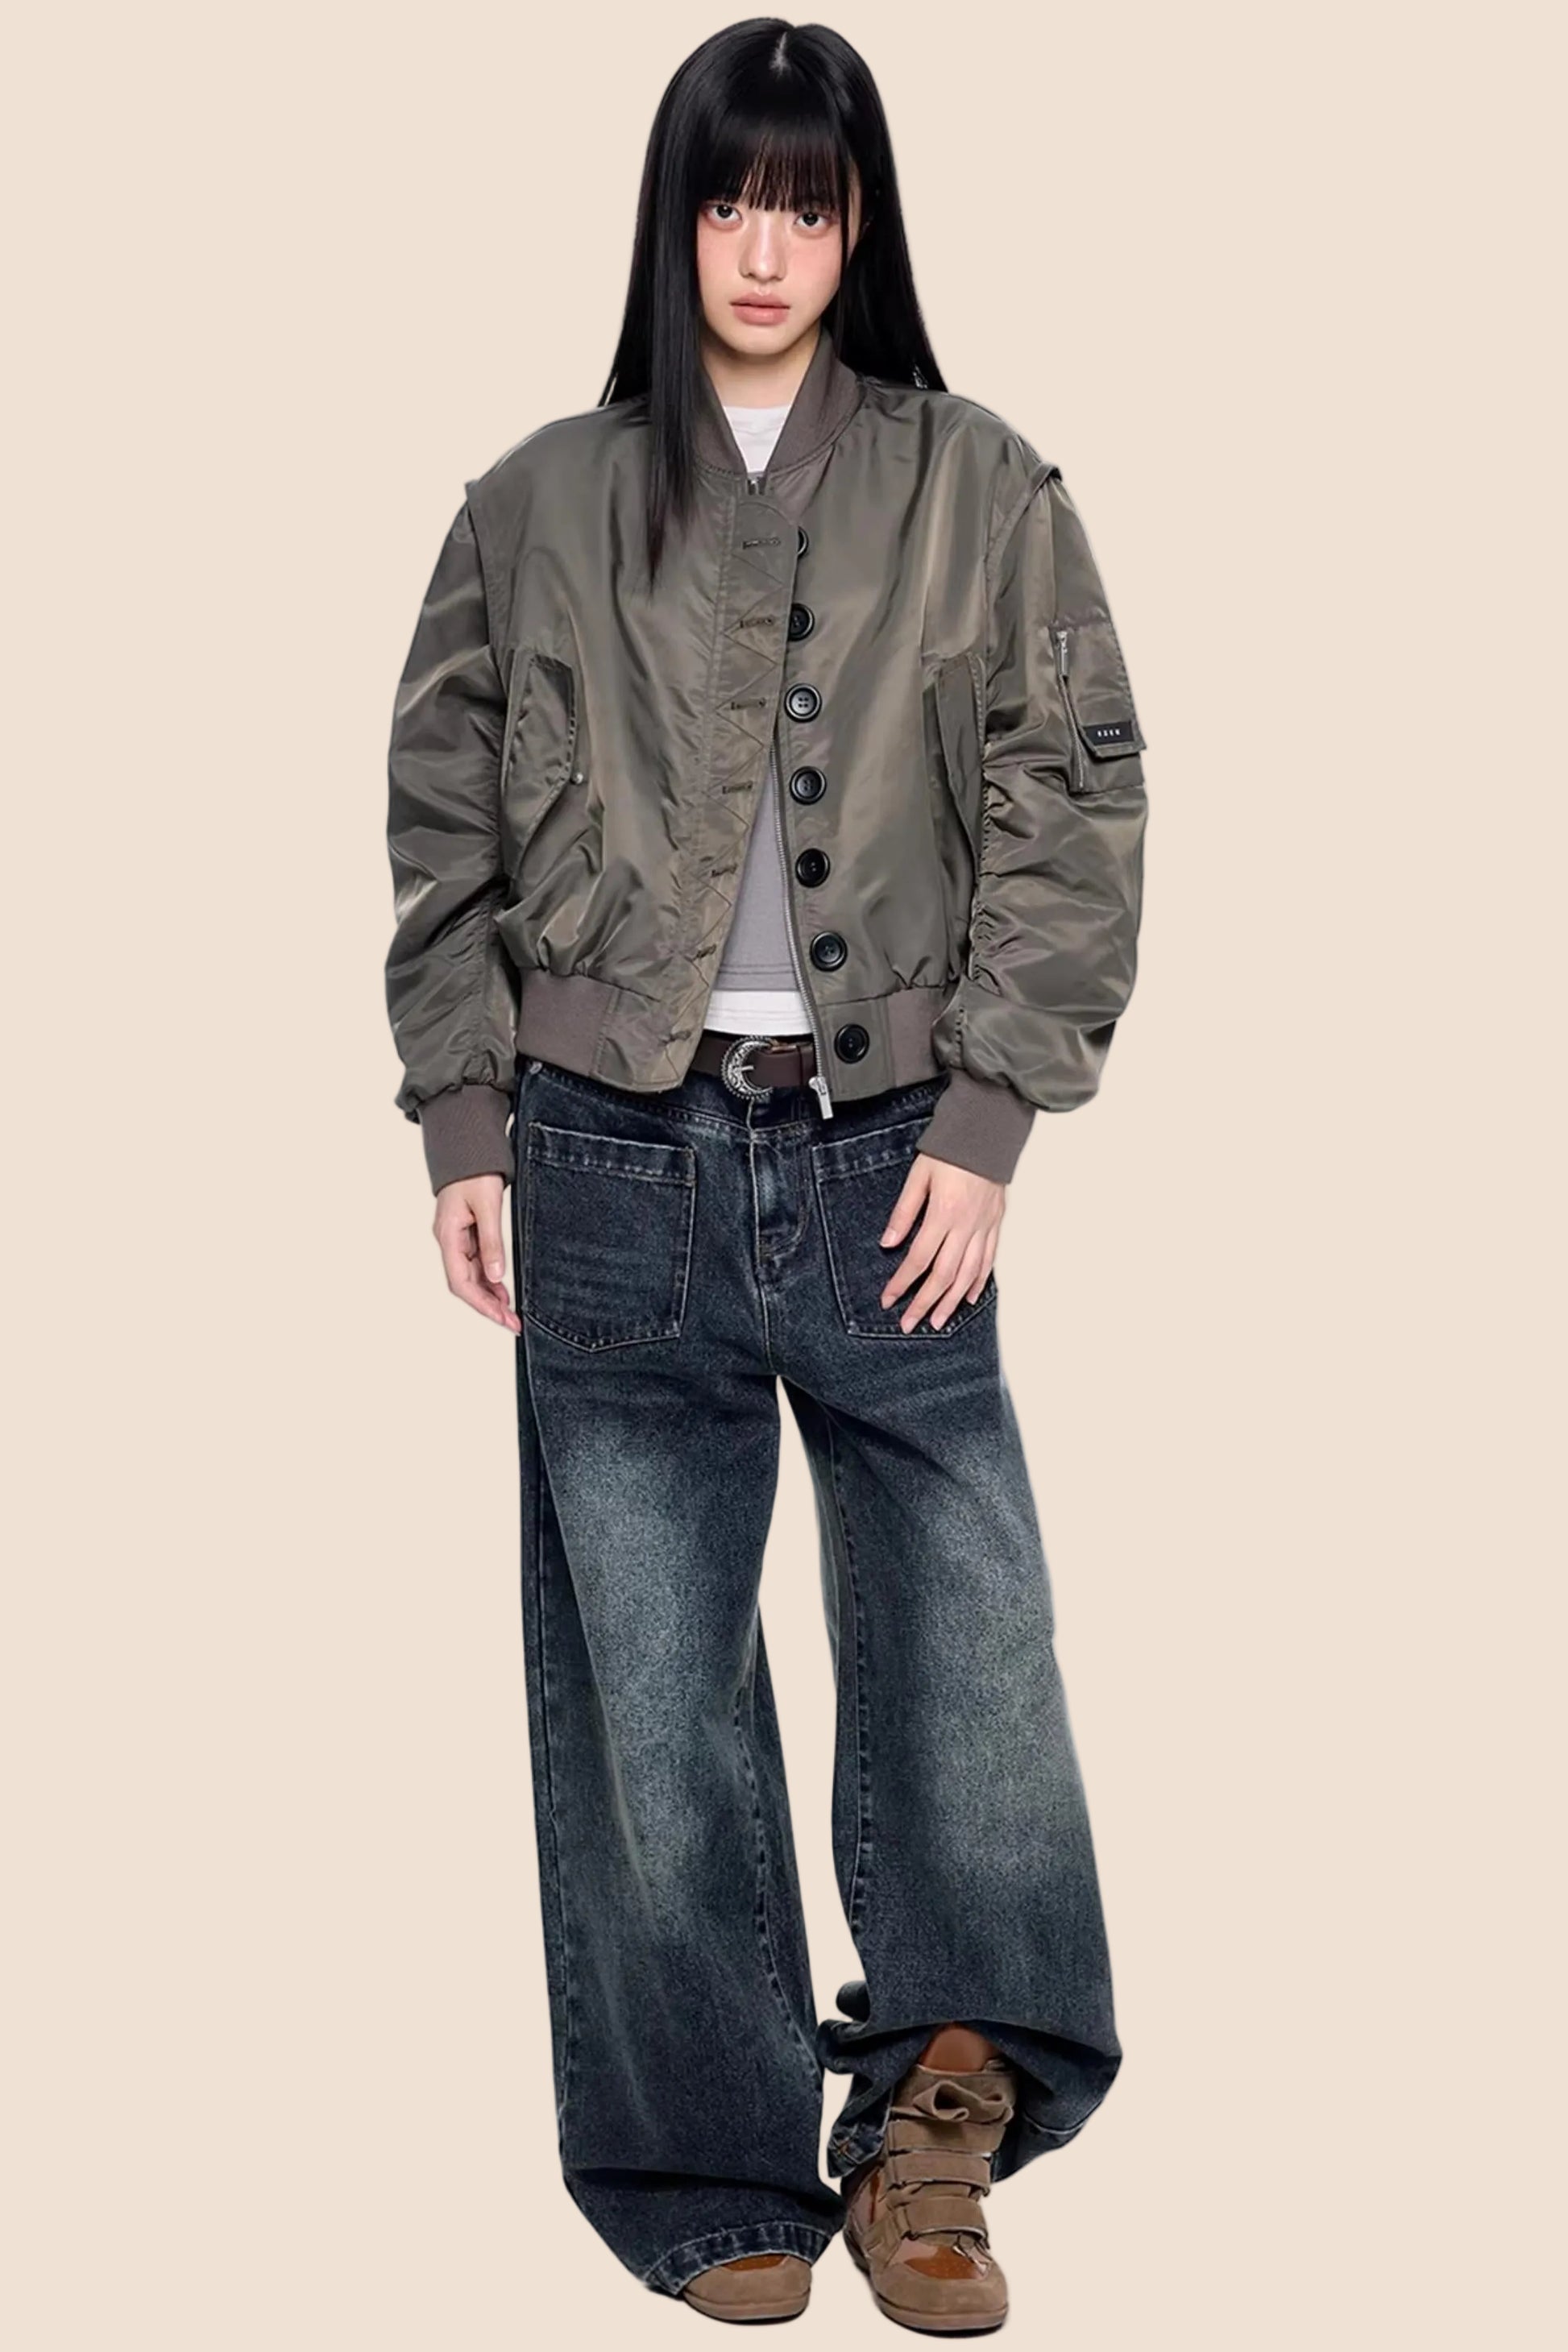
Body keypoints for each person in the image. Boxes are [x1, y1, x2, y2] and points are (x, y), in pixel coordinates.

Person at [384, 19, 1147, 2333]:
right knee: (649, 1688)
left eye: (804, 204)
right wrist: (462, 1121)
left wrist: (993, 1118)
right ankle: (707, 2161)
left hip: (890, 1150)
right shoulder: (533, 501)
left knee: (966, 1650)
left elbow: (1073, 802)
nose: (761, 246)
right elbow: (437, 824)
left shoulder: (980, 486)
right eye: (728, 199)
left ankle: (940, 2124)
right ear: (674, 216)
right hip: (600, 1156)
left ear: (857, 225)